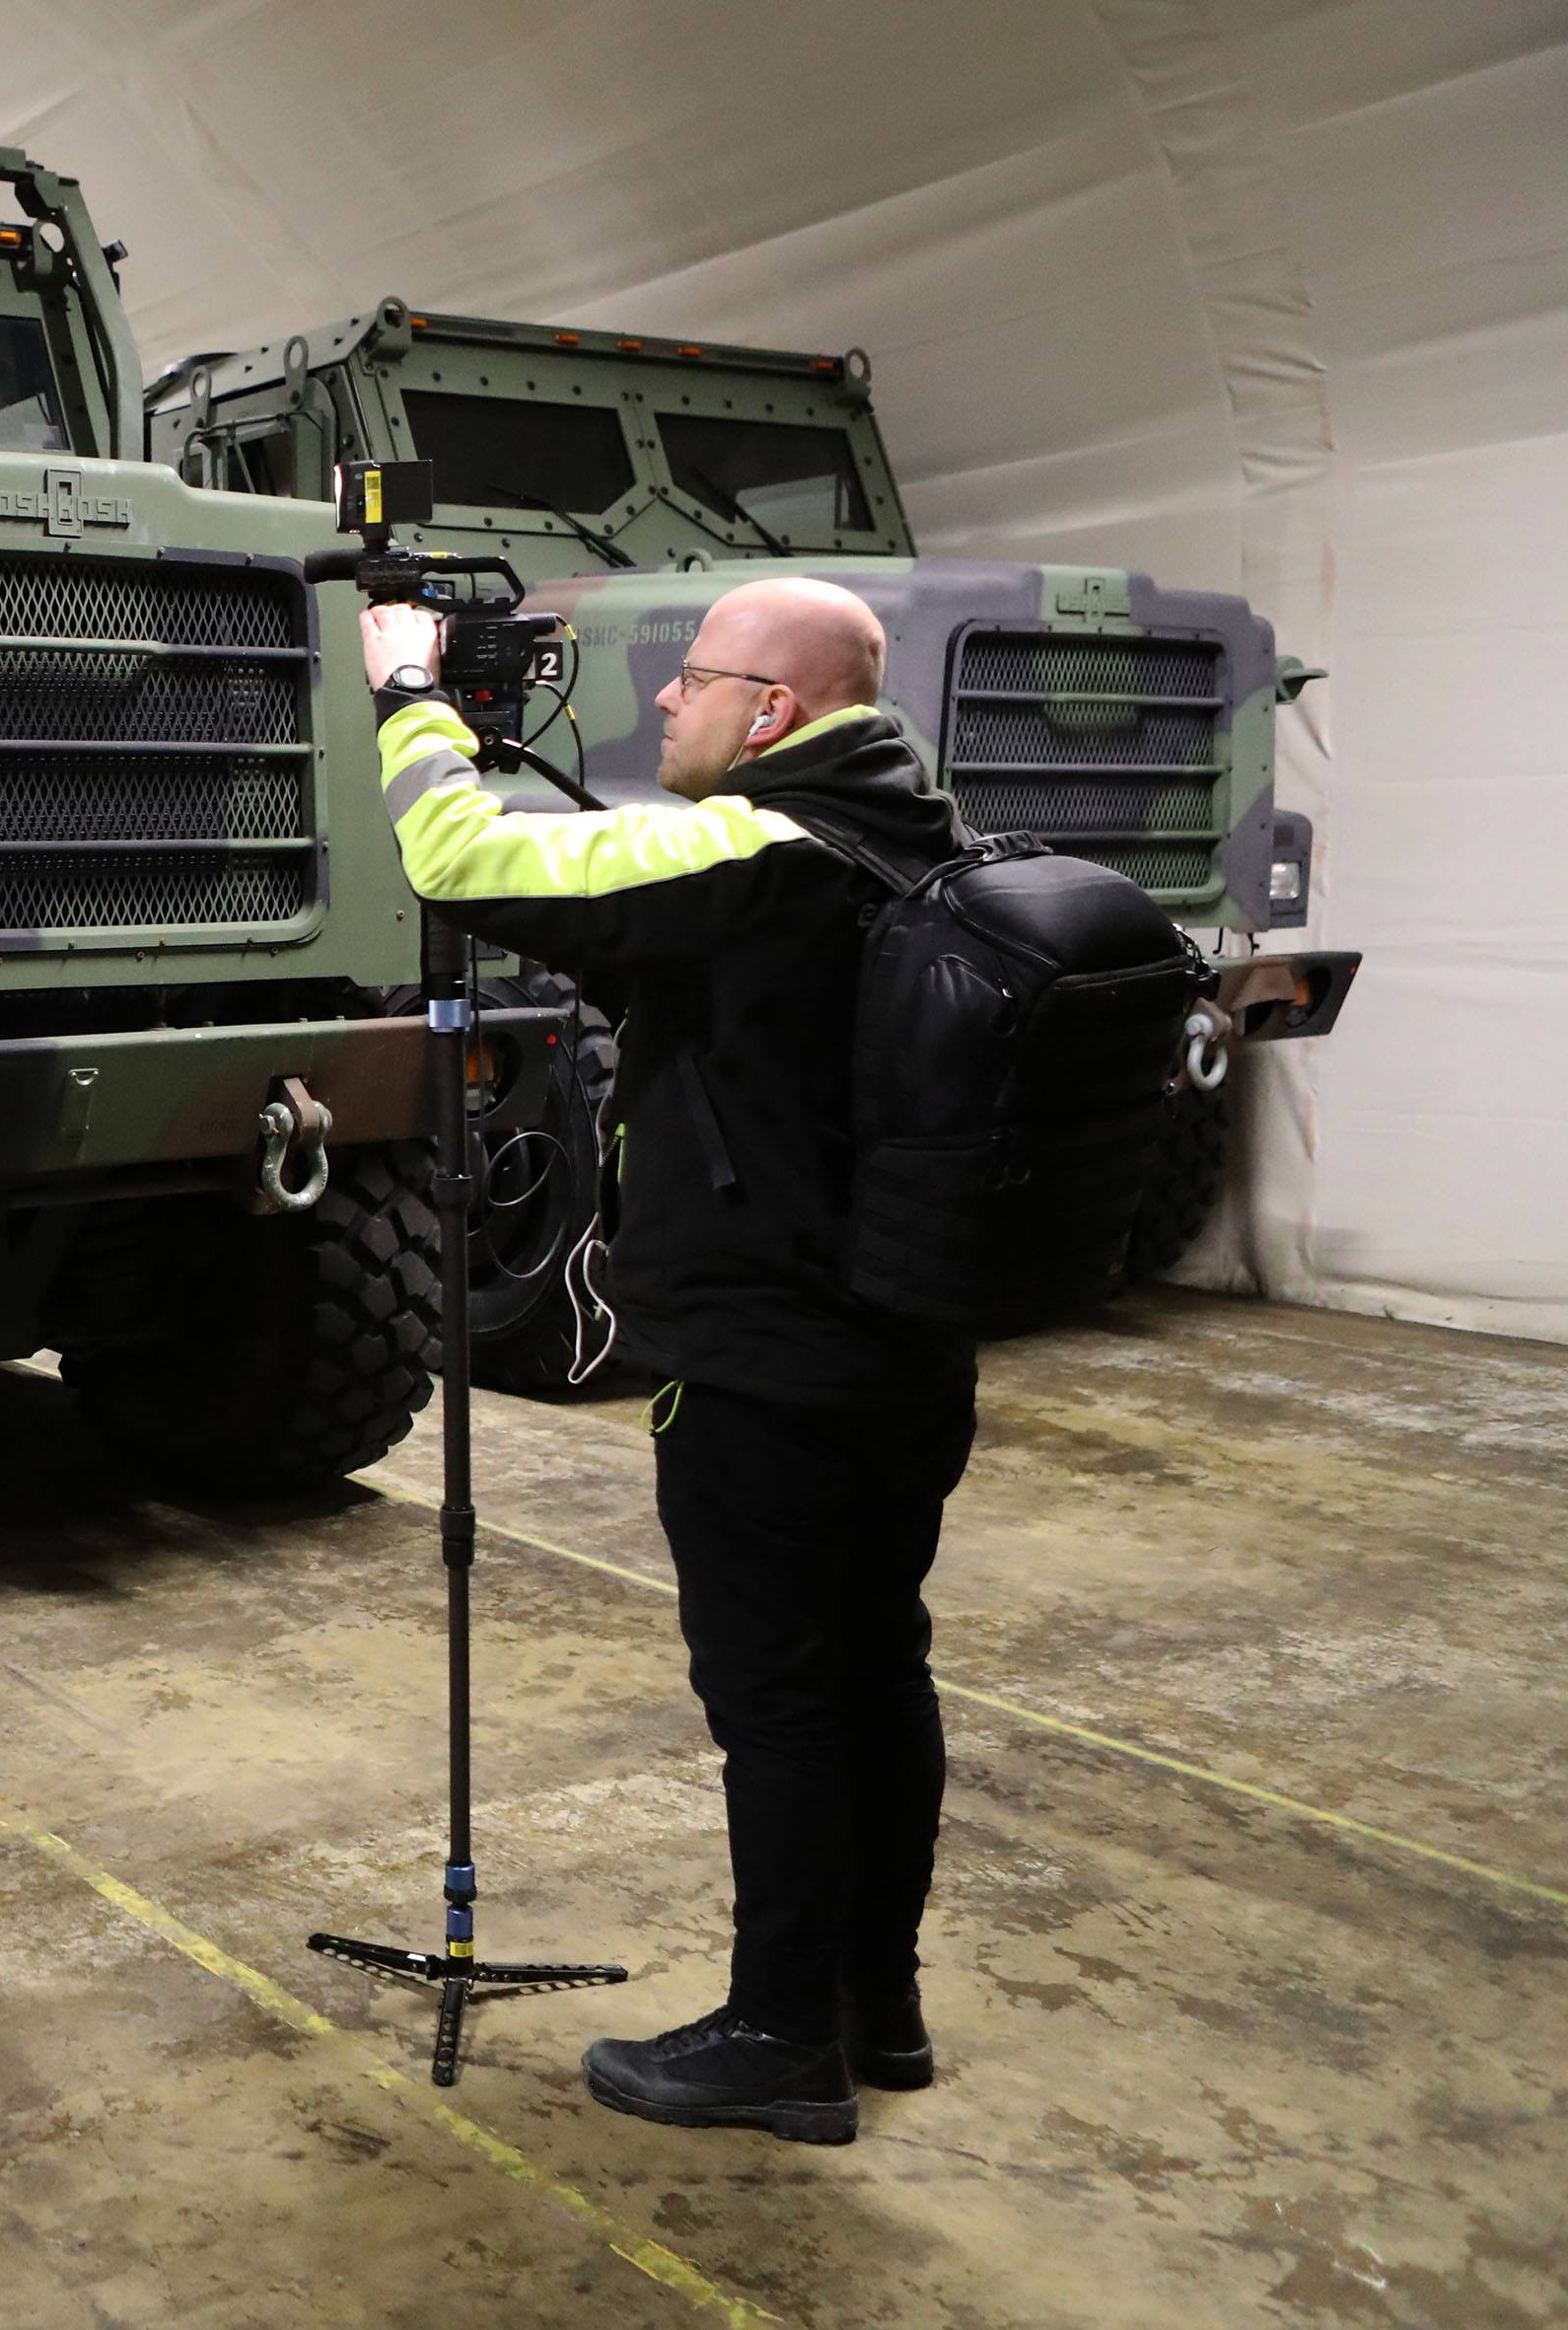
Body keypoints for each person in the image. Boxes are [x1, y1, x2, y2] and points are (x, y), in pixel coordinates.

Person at [365, 575, 975, 2145]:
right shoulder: (927, 835)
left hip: (766, 1364)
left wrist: (409, 697)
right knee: (873, 1664)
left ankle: (777, 2032)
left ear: (773, 709)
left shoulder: (753, 845)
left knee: (775, 1698)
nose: (661, 708)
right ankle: (870, 1998)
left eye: (692, 681)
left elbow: (462, 852)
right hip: (907, 1347)